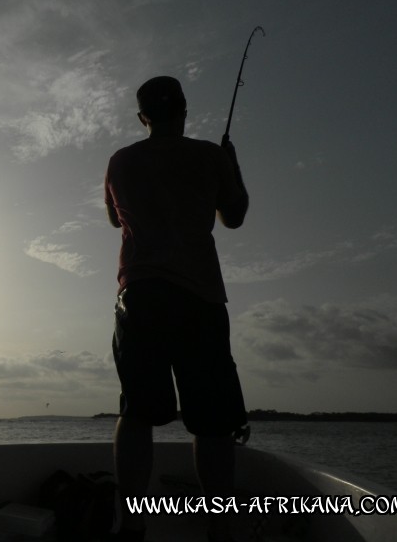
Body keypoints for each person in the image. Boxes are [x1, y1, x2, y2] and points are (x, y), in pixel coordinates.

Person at [104, 76, 250, 542]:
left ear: (142, 117)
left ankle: (131, 523)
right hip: (199, 300)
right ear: (184, 110)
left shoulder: (121, 161)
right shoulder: (210, 155)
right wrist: (232, 165)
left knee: (137, 412)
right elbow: (236, 215)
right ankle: (222, 529)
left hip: (141, 297)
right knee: (213, 423)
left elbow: (114, 218)